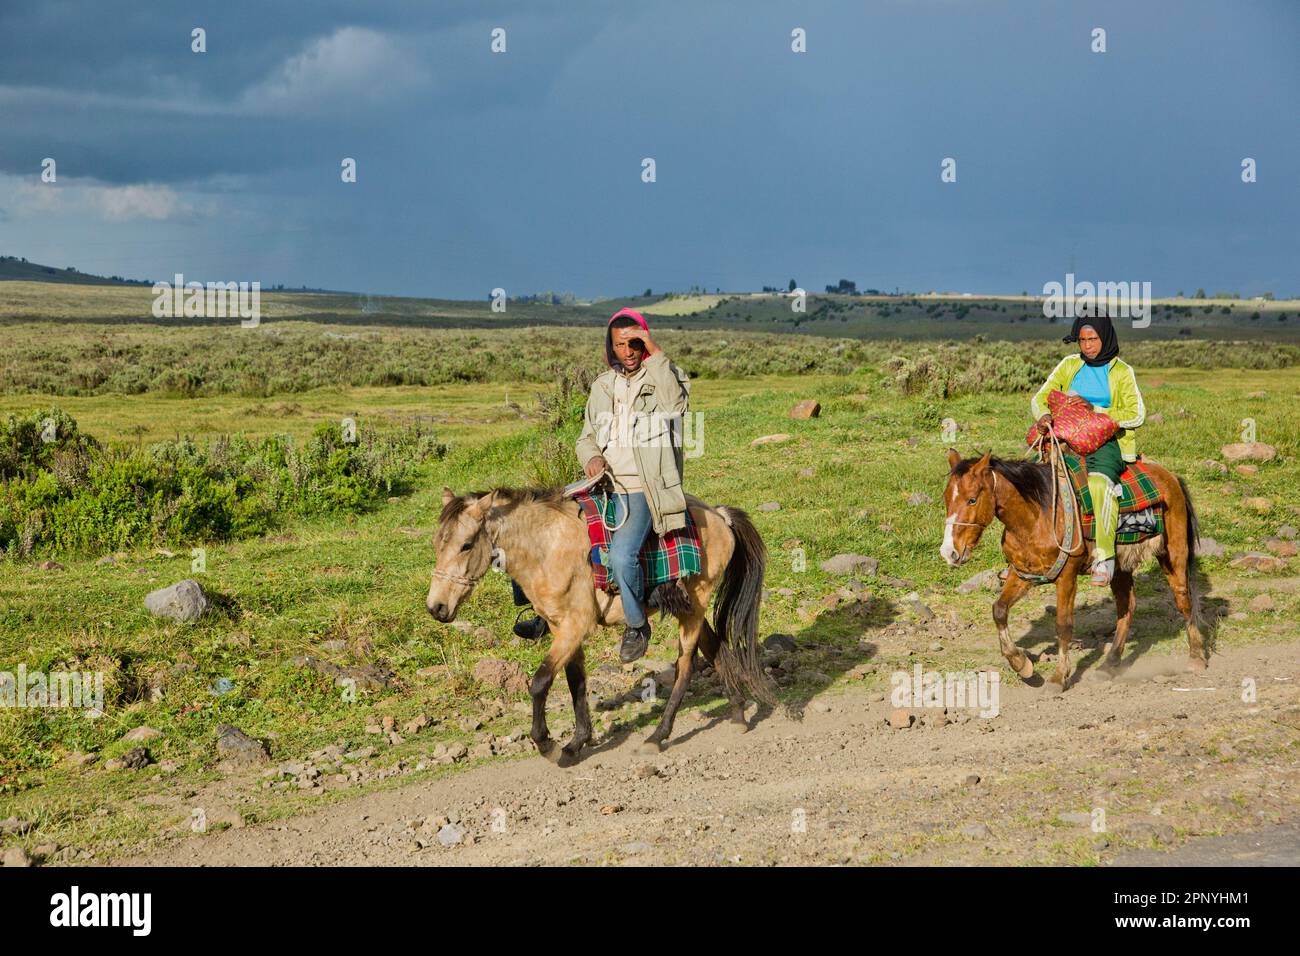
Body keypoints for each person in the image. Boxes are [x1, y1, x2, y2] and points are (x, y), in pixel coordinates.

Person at [1032, 312, 1145, 586]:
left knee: (1098, 484)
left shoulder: (1121, 372)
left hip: (1106, 440)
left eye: (1092, 339)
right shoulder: (1070, 365)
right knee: (1035, 484)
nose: (1087, 345)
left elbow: (1137, 413)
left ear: (1104, 338)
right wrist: (1044, 415)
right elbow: (1040, 397)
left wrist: (1095, 411)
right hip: (1067, 435)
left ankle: (1104, 560)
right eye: (1082, 340)